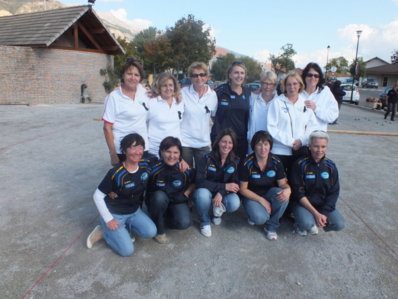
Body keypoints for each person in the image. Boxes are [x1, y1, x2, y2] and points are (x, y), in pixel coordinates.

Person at [86, 133, 157, 256]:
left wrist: (181, 161)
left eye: (140, 147)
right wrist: (109, 219)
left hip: (134, 211)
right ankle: (104, 231)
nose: (137, 152)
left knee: (151, 232)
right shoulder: (116, 173)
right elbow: (97, 196)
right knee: (127, 251)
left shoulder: (146, 165)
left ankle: (122, 230)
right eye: (132, 148)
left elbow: (165, 160)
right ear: (124, 151)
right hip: (116, 214)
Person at [289, 131, 345, 236]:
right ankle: (300, 222)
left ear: (327, 147)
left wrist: (323, 213)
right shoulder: (300, 164)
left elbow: (334, 192)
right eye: (316, 146)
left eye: (323, 146)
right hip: (302, 205)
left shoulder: (331, 166)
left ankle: (314, 220)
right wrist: (316, 213)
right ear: (309, 146)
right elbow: (298, 193)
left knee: (339, 224)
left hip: (321, 205)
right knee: (307, 223)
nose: (319, 150)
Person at [239, 131, 291, 241]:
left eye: (266, 144)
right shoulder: (246, 163)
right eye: (259, 144)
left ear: (270, 146)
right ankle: (255, 214)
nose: (263, 148)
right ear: (254, 146)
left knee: (284, 196)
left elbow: (282, 184)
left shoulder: (276, 161)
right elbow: (243, 189)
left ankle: (271, 227)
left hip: (269, 193)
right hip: (251, 197)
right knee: (260, 218)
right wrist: (261, 200)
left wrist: (288, 190)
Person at [146, 137, 195, 244]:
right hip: (158, 201)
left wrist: (187, 194)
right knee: (159, 197)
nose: (171, 156)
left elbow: (196, 181)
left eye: (175, 152)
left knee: (184, 223)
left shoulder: (184, 168)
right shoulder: (153, 169)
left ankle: (166, 218)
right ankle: (159, 229)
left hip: (177, 201)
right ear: (161, 152)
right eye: (168, 151)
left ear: (180, 154)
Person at [267, 72, 317, 174]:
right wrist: (291, 142)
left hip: (300, 152)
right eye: (288, 84)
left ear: (300, 85)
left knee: (296, 184)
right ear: (284, 86)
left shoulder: (305, 103)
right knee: (280, 185)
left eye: (295, 84)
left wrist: (301, 141)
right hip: (279, 152)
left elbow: (313, 126)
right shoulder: (277, 102)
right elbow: (272, 127)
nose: (292, 87)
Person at [102, 57, 150, 165]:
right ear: (123, 75)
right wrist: (113, 154)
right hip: (122, 150)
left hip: (142, 148)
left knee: (143, 180)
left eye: (136, 75)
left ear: (140, 78)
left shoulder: (145, 93)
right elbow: (107, 128)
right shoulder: (114, 97)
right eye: (129, 74)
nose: (133, 77)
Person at [193, 128, 241, 237]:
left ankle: (217, 212)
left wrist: (222, 192)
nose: (226, 145)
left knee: (235, 202)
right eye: (224, 141)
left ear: (233, 145)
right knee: (202, 194)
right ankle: (204, 221)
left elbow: (235, 184)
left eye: (230, 142)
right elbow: (199, 181)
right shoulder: (206, 158)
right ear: (218, 142)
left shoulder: (235, 161)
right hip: (206, 192)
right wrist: (223, 186)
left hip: (222, 194)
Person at [211, 61, 251, 160]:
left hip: (240, 141)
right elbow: (211, 115)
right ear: (230, 75)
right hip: (222, 141)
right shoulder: (220, 91)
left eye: (242, 73)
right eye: (236, 72)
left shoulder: (248, 93)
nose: (239, 76)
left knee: (238, 171)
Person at [180, 62, 218, 167]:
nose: (199, 78)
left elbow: (213, 117)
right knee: (186, 175)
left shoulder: (213, 95)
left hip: (203, 143)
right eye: (195, 75)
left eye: (202, 74)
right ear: (190, 78)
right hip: (185, 143)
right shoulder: (183, 92)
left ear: (207, 77)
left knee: (202, 176)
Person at [147, 73, 184, 157]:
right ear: (159, 87)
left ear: (174, 87)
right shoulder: (151, 102)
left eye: (170, 85)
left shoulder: (180, 102)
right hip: (155, 150)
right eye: (164, 85)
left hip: (174, 152)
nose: (168, 88)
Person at [247, 70, 278, 154]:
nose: (267, 87)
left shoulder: (279, 102)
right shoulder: (253, 99)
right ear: (261, 84)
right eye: (265, 83)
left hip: (272, 145)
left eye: (270, 84)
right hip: (254, 143)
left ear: (274, 86)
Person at [301, 62, 339, 131]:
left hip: (318, 138)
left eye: (316, 76)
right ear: (304, 76)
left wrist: (316, 109)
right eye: (310, 75)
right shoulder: (297, 92)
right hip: (299, 138)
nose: (313, 78)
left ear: (319, 78)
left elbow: (333, 116)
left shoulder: (325, 92)